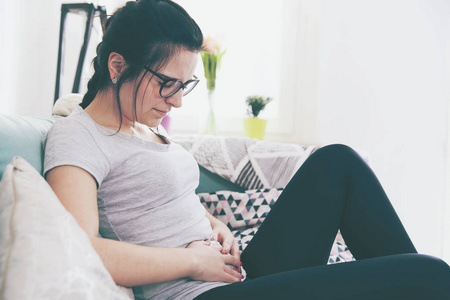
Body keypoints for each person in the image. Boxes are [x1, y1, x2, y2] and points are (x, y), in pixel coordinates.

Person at [43, 0, 450, 299]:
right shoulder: (77, 136)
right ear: (117, 67)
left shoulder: (142, 126)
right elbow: (81, 248)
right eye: (167, 83)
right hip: (192, 294)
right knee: (431, 276)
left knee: (336, 162)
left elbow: (164, 199)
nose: (177, 101)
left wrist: (212, 224)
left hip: (232, 275)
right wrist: (192, 261)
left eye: (184, 86)